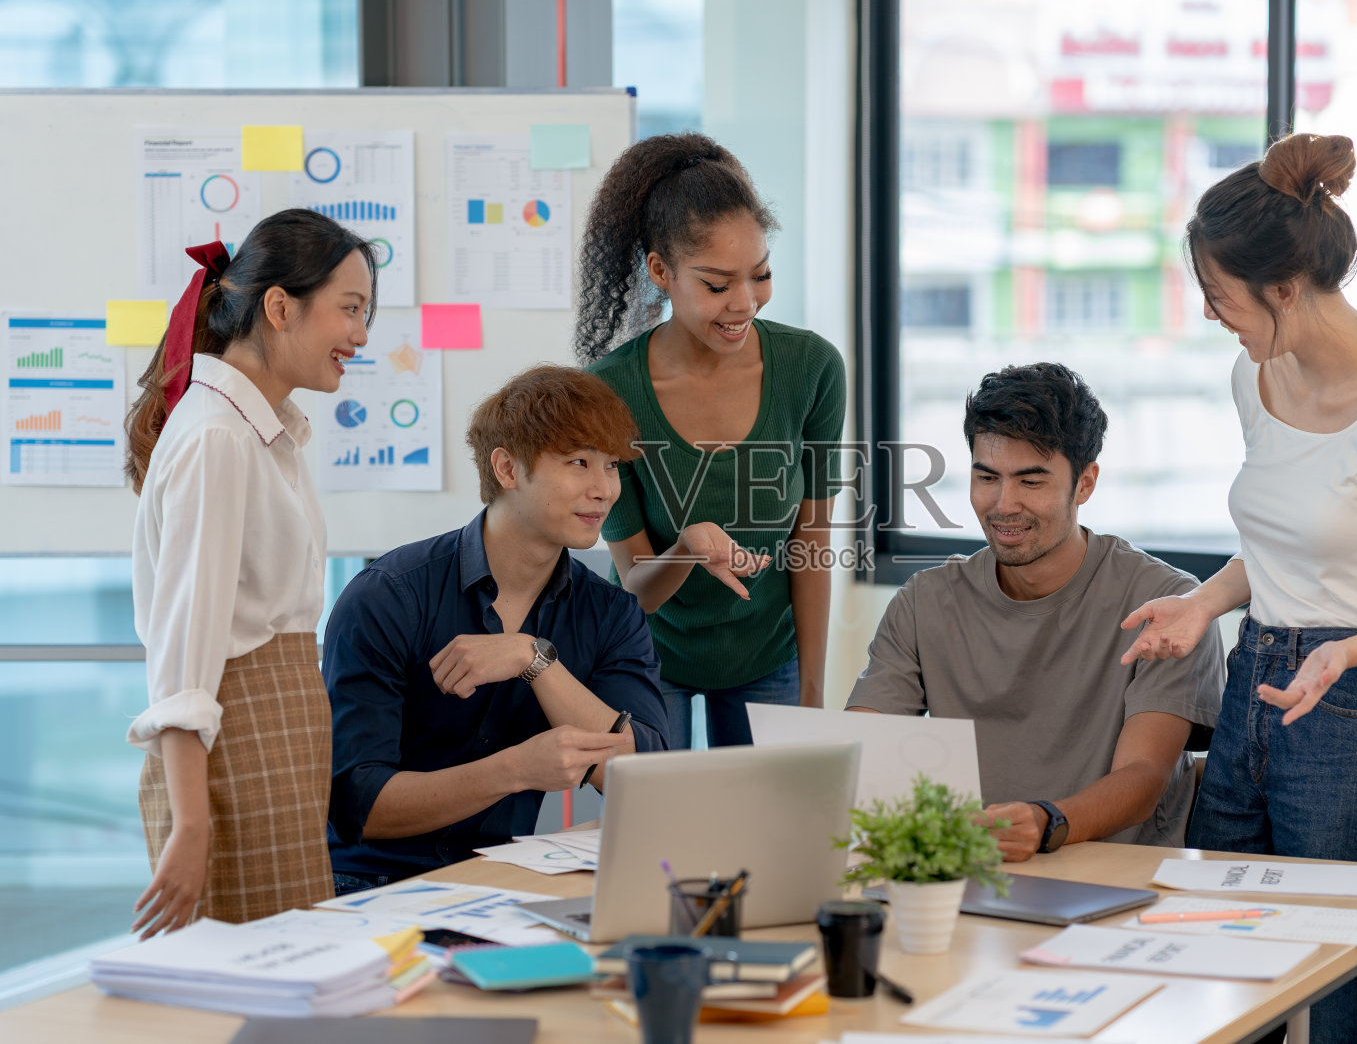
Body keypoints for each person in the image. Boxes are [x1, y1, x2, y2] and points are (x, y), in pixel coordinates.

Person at [1120, 133, 1357, 1044]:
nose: (1212, 316)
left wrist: (1351, 648)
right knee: (1216, 965)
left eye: (1219, 296)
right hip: (1254, 690)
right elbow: (1282, 553)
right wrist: (1204, 602)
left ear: (1282, 286)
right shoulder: (1256, 375)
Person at [846, 362, 1224, 859]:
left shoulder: (1168, 603)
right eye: (987, 477)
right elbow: (861, 747)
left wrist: (1047, 823)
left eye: (1031, 481)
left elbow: (1144, 778)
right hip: (971, 871)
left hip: (1116, 876)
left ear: (1085, 484)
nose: (1004, 504)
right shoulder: (924, 601)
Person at [124, 210, 377, 936]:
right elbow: (183, 656)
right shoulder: (217, 439)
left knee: (291, 986)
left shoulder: (262, 432)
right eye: (350, 309)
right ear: (279, 307)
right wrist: (193, 824)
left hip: (278, 749)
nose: (360, 335)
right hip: (235, 763)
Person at [321, 366, 668, 892]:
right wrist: (515, 771)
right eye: (579, 463)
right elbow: (359, 806)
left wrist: (535, 660)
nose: (604, 490)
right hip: (371, 883)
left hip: (502, 884)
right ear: (507, 468)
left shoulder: (611, 614)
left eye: (612, 466)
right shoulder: (389, 596)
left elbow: (642, 778)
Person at [575, 133, 846, 749]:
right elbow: (635, 590)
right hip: (650, 658)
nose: (744, 303)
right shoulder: (609, 391)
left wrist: (811, 692)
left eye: (761, 275)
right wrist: (691, 549)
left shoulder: (812, 368)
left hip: (768, 655)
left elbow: (812, 538)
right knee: (658, 834)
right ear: (660, 271)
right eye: (718, 284)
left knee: (766, 833)